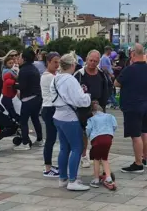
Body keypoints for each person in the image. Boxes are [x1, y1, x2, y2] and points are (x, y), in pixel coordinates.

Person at [50, 53, 92, 191]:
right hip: (70, 117)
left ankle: (63, 178)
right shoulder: (70, 80)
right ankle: (73, 180)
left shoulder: (55, 79)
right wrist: (88, 96)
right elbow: (80, 100)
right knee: (77, 147)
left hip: (58, 115)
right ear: (73, 65)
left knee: (64, 148)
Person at [115, 43, 147, 172]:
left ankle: (138, 163)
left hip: (132, 105)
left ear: (132, 54)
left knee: (135, 135)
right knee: (144, 131)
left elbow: (116, 83)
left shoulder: (129, 69)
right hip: (146, 103)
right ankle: (145, 158)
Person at [73, 50, 110, 167]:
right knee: (84, 133)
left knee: (99, 134)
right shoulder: (79, 74)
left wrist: (102, 106)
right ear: (86, 60)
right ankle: (84, 155)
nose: (93, 63)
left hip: (99, 107)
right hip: (83, 108)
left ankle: (97, 156)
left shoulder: (101, 74)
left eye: (95, 61)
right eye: (91, 60)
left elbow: (106, 90)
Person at [15, 48, 43, 151]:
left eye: (21, 56)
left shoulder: (24, 70)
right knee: (35, 119)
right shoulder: (33, 68)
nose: (19, 58)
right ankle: (40, 140)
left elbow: (22, 86)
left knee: (23, 121)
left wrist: (13, 85)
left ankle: (25, 143)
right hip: (37, 97)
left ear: (25, 59)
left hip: (28, 99)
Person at [87, 101, 117, 188]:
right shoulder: (110, 116)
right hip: (108, 138)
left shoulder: (92, 119)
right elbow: (114, 126)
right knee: (105, 158)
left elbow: (88, 129)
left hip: (97, 139)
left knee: (96, 159)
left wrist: (89, 135)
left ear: (92, 112)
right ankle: (108, 178)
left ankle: (96, 179)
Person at [40, 52, 61, 177]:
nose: (57, 65)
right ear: (48, 62)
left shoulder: (54, 75)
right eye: (54, 62)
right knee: (50, 139)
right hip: (49, 108)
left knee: (52, 138)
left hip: (52, 107)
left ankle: (49, 165)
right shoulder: (48, 76)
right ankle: (47, 168)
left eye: (58, 62)